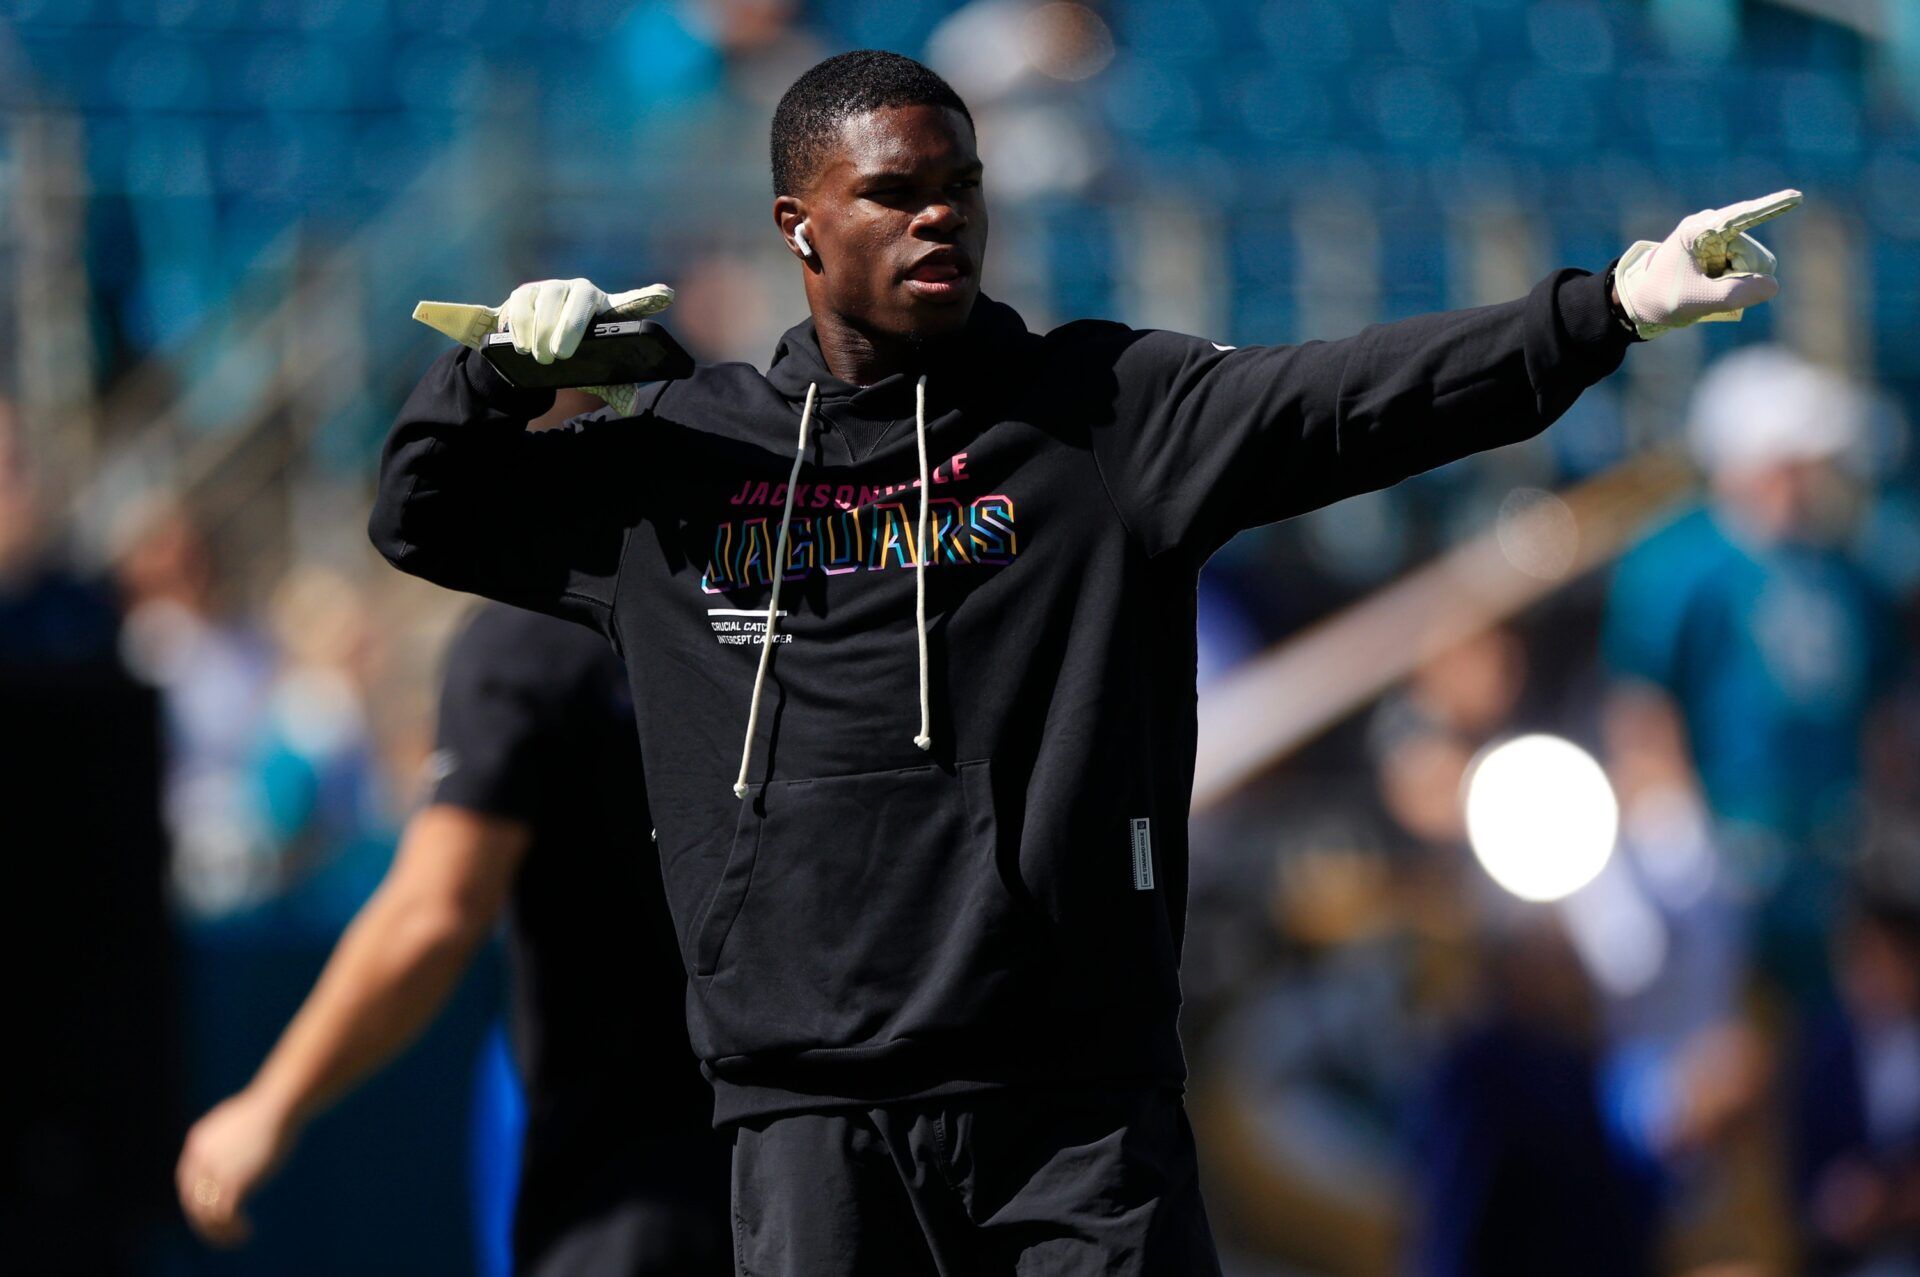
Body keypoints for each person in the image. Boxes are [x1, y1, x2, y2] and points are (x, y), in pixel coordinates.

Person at [368, 49, 1787, 1274]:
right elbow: (421, 511)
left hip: (1072, 1114)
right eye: (894, 193)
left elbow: (1355, 399)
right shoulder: (680, 463)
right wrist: (494, 377)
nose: (941, 216)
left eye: (960, 186)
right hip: (803, 1116)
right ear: (799, 226)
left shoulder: (1105, 413)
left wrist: (1606, 309)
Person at [175, 602, 730, 1275]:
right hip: (806, 1141)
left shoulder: (530, 633)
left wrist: (272, 1104)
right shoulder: (774, 597)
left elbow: (436, 909)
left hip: (634, 1176)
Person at [1604, 346, 1903, 1006]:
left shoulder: (1849, 571)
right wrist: (1671, 825)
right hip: (1722, 856)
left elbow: (1881, 712)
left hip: (1832, 852)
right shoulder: (1679, 565)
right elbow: (1642, 708)